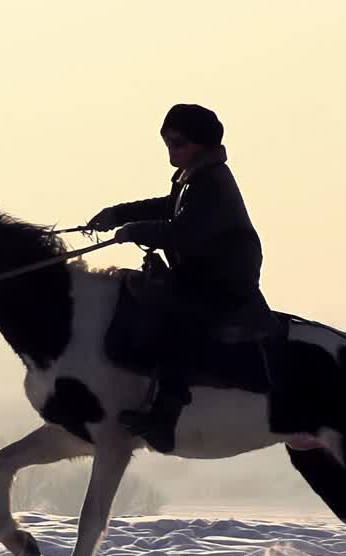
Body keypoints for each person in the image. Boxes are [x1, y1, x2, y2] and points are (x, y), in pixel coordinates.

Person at [88, 103, 265, 451]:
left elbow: (186, 231)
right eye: (167, 142)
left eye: (178, 143)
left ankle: (165, 415)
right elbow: (166, 208)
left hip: (222, 281)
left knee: (174, 319)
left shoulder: (213, 181)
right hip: (197, 274)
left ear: (201, 144)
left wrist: (134, 230)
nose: (171, 150)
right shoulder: (192, 175)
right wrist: (116, 214)